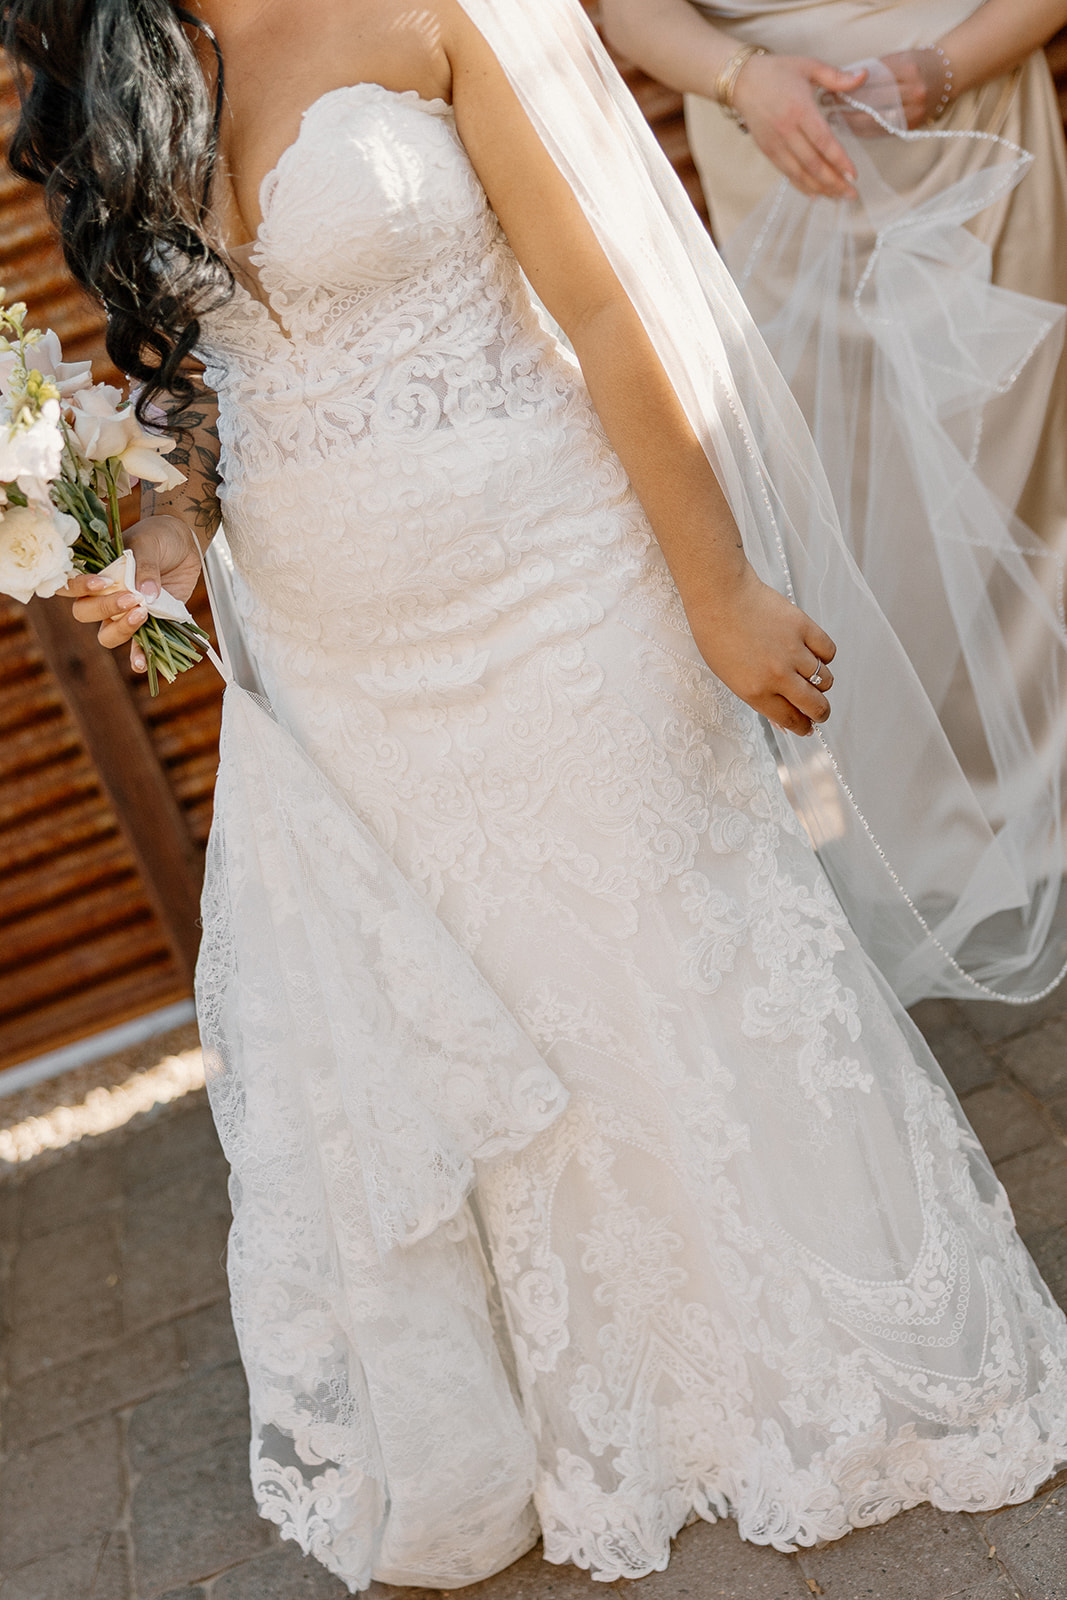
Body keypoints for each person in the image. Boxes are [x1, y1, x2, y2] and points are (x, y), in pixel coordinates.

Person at [5, 0, 1067, 1590]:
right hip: (338, 651)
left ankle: (835, 1365)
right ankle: (625, 1405)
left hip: (556, 573)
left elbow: (589, 292)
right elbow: (202, 387)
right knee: (490, 1017)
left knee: (670, 949)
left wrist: (714, 592)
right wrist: (158, 533)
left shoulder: (425, 7)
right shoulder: (118, 77)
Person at [603, 0, 1067, 885]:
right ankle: (916, 813)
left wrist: (943, 65)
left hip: (976, 117)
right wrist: (741, 77)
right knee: (847, 496)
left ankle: (1045, 779)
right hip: (773, 144)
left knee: (1016, 474)